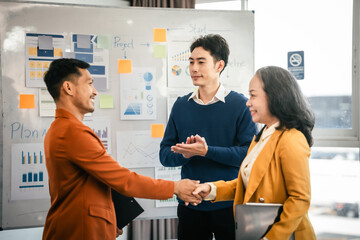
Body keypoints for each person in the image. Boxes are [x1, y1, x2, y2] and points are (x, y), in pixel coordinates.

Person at [42, 58, 201, 240]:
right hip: (80, 231)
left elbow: (90, 183)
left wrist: (108, 217)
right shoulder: (72, 132)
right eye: (89, 84)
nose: (94, 92)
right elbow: (124, 180)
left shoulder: (61, 128)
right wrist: (174, 187)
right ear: (68, 88)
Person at [193, 66, 317, 240]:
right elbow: (250, 183)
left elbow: (300, 199)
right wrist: (211, 189)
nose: (248, 102)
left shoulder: (291, 138)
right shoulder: (263, 135)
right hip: (255, 229)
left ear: (275, 97)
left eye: (253, 95)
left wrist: (271, 238)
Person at [160, 34, 257, 240]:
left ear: (219, 65)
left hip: (230, 205)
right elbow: (165, 156)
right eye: (191, 62)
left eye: (201, 62)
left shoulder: (240, 105)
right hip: (191, 205)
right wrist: (185, 155)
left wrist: (206, 151)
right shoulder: (181, 105)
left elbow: (249, 155)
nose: (194, 68)